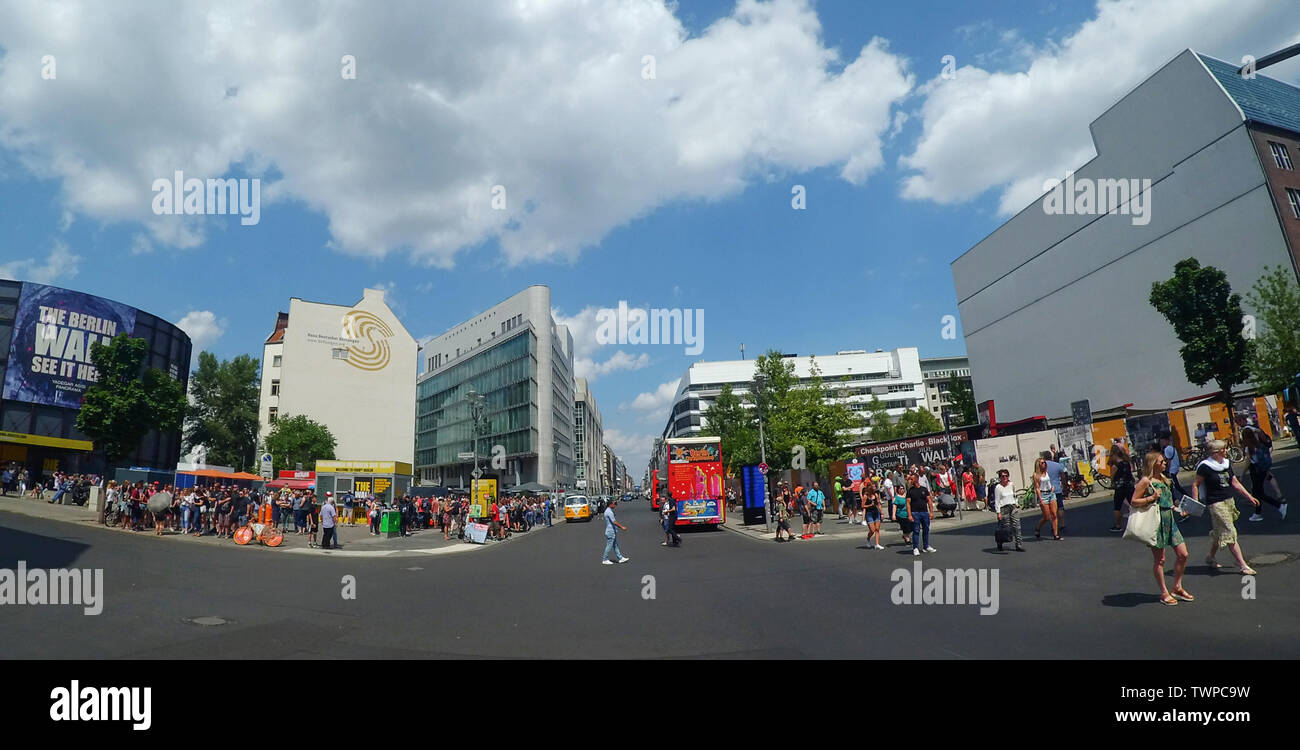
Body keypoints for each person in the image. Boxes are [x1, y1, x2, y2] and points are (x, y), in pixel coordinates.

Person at [1131, 451, 1193, 606]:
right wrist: (1151, 498)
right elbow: (1133, 501)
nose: (1165, 463)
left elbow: (1169, 501)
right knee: (1160, 559)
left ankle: (1177, 586)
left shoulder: (1166, 480)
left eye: (1165, 461)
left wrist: (1180, 509)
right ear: (1153, 464)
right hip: (1156, 522)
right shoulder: (1146, 481)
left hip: (1170, 520)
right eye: (1162, 461)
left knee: (1183, 554)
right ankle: (1164, 592)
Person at [1193, 440, 1259, 576]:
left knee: (1218, 532)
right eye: (1223, 449)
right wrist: (1195, 502)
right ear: (1215, 452)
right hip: (1215, 503)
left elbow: (1234, 483)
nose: (1226, 451)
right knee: (1230, 531)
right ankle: (1243, 565)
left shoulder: (1226, 464)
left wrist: (1249, 496)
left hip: (1228, 500)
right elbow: (1196, 484)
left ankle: (1210, 557)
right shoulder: (1205, 466)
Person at [1241, 425, 1286, 521]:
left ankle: (1279, 506)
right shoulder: (1258, 444)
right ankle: (1257, 513)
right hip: (1262, 468)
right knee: (1257, 493)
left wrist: (1242, 474)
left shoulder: (1249, 447)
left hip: (1255, 470)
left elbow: (1248, 461)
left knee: (1259, 493)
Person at [993, 469, 1023, 552]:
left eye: (1006, 476)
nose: (1005, 478)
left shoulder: (1011, 484)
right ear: (1000, 478)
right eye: (1003, 476)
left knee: (1017, 526)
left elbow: (1014, 494)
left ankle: (1019, 545)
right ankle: (1000, 542)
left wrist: (1016, 503)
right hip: (1004, 508)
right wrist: (998, 512)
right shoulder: (998, 488)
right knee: (1006, 528)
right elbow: (997, 501)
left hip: (1013, 507)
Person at [1107, 443, 1136, 532]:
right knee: (1134, 504)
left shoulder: (1115, 466)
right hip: (1129, 486)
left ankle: (1118, 525)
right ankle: (1137, 522)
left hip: (1120, 488)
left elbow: (1112, 478)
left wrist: (1112, 483)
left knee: (1117, 507)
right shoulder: (1126, 462)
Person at [906, 473, 936, 556]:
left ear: (916, 479)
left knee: (926, 529)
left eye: (912, 479)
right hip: (915, 513)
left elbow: (929, 501)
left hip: (924, 512)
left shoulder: (924, 489)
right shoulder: (910, 491)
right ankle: (915, 548)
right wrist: (909, 515)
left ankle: (926, 546)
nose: (910, 481)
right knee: (916, 530)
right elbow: (908, 503)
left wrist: (931, 512)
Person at [1032, 457, 1061, 541]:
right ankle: (1038, 528)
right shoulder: (1036, 475)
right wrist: (1040, 499)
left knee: (1054, 514)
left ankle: (1056, 534)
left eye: (1044, 462)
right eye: (1042, 463)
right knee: (1047, 517)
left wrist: (1052, 487)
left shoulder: (1046, 472)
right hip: (1043, 495)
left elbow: (1048, 481)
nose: (1044, 464)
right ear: (1038, 465)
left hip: (1051, 494)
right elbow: (1037, 488)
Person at [1042, 451, 1068, 533]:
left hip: (1047, 490)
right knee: (1060, 507)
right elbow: (1063, 476)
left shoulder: (1043, 466)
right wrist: (1064, 487)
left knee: (1051, 509)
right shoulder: (1057, 465)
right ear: (1051, 457)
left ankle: (1054, 525)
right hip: (1057, 489)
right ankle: (1062, 524)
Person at [600, 498, 629, 565]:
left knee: (615, 545)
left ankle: (620, 558)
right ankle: (605, 559)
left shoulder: (608, 510)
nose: (615, 505)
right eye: (614, 504)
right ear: (610, 504)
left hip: (612, 531)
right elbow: (614, 522)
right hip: (610, 531)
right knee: (609, 546)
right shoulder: (609, 512)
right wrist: (622, 527)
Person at [860, 480, 883, 550]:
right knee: (872, 530)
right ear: (869, 488)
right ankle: (868, 538)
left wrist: (881, 513)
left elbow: (878, 504)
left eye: (874, 487)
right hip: (869, 513)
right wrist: (870, 505)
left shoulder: (876, 495)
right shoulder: (865, 496)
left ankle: (877, 544)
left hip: (876, 513)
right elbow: (863, 506)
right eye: (872, 487)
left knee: (877, 529)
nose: (874, 488)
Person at [893, 481, 912, 546]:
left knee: (911, 527)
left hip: (908, 513)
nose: (902, 490)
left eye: (903, 488)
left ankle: (905, 536)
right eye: (900, 489)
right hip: (901, 515)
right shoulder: (897, 497)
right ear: (898, 490)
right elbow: (894, 507)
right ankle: (907, 539)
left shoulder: (907, 495)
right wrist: (893, 515)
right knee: (905, 528)